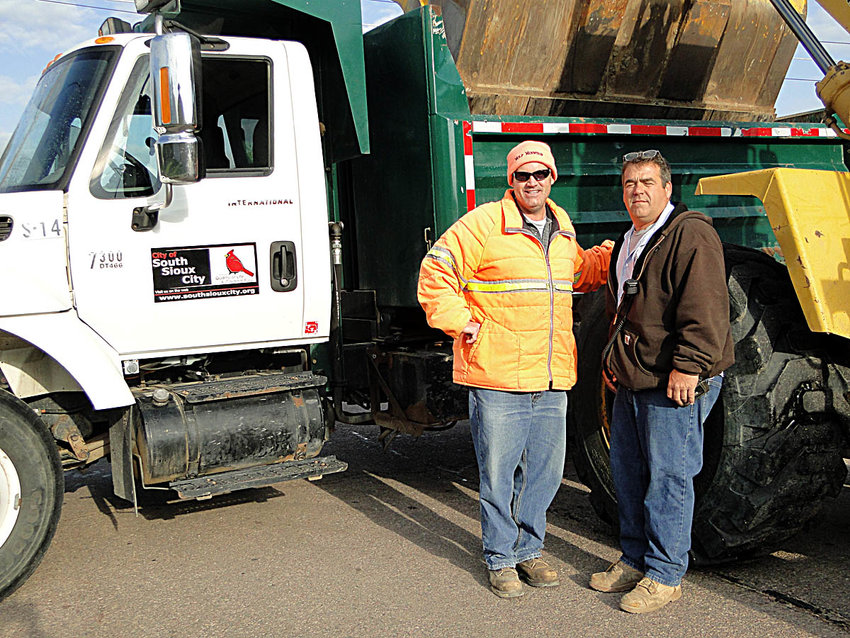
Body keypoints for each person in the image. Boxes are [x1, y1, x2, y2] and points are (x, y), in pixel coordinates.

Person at [418, 140, 612, 598]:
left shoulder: (562, 228)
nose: (532, 183)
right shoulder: (485, 223)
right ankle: (501, 558)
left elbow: (577, 273)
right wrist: (461, 322)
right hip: (498, 375)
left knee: (544, 473)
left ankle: (530, 551)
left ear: (552, 178)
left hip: (551, 376)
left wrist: (614, 256)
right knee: (499, 473)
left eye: (540, 174)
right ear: (511, 180)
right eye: (523, 175)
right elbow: (436, 270)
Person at [589, 150, 734, 613]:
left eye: (648, 182)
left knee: (670, 477)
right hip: (633, 380)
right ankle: (634, 559)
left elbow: (706, 307)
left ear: (668, 189)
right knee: (628, 474)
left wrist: (689, 366)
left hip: (671, 380)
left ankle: (666, 574)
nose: (638, 192)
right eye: (630, 184)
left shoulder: (691, 235)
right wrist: (613, 360)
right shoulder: (632, 238)